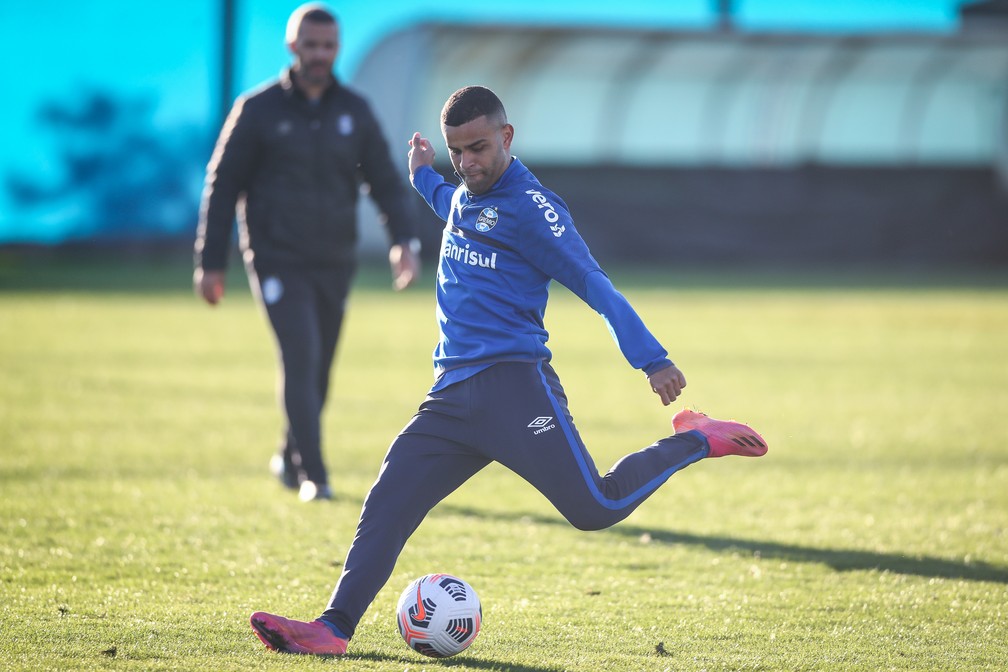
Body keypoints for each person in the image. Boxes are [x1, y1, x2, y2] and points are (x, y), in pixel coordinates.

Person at [247, 85, 767, 655]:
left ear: (507, 137)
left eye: (479, 148)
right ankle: (333, 628)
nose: (468, 163)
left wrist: (652, 358)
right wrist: (423, 175)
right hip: (449, 397)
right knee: (387, 502)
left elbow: (594, 285)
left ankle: (695, 439)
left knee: (597, 507)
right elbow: (453, 205)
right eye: (457, 152)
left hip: (515, 389)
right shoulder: (469, 192)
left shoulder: (534, 210)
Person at [193, 4, 421, 503]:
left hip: (334, 258)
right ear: (292, 46)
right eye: (310, 45)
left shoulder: (354, 111)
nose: (320, 54)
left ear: (337, 49)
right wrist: (210, 262)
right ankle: (314, 475)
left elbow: (384, 179)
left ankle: (288, 454)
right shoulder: (258, 110)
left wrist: (404, 241)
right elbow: (222, 184)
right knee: (300, 356)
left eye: (328, 46)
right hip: (276, 257)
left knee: (319, 369)